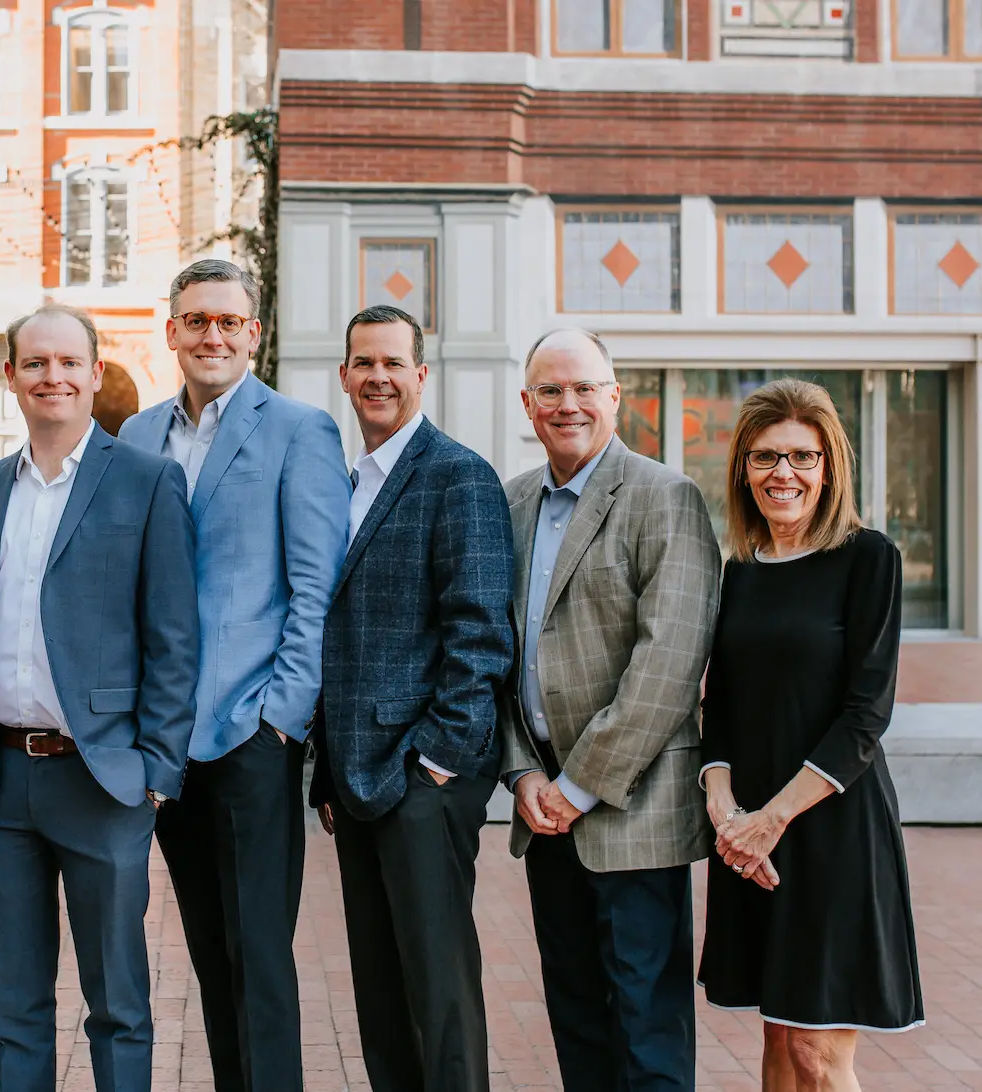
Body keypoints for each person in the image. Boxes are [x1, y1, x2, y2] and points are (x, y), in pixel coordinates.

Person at [0, 304, 200, 1092]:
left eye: (67, 363)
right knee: (14, 1007)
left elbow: (173, 635)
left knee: (118, 1003)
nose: (51, 377)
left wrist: (157, 768)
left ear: (95, 375)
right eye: (35, 363)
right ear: (12, 377)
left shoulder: (150, 480)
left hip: (104, 779)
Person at [118, 259, 349, 1092]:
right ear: (171, 330)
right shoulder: (136, 438)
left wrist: (281, 719)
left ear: (256, 332)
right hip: (162, 748)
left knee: (259, 957)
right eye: (195, 320)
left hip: (252, 734)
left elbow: (317, 588)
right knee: (212, 957)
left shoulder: (299, 430)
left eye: (228, 321)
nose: (210, 335)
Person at [499, 328, 722, 1091]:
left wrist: (579, 783)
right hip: (544, 810)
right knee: (577, 1020)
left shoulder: (666, 497)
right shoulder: (514, 501)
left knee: (646, 1031)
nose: (568, 404)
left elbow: (669, 662)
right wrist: (523, 774)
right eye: (551, 391)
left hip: (633, 811)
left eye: (584, 388)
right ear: (527, 404)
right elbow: (498, 654)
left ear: (614, 397)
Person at [309, 305, 514, 1092]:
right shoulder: (345, 483)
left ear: (421, 376)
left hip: (421, 780)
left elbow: (479, 634)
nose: (378, 378)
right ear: (345, 377)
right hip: (359, 782)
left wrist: (434, 764)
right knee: (380, 988)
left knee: (438, 988)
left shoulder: (457, 474)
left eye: (394, 363)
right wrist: (331, 771)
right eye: (364, 364)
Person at [699, 378, 923, 1089]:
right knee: (779, 1040)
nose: (783, 474)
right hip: (752, 827)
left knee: (819, 1056)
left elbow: (867, 714)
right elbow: (722, 705)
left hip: (832, 826)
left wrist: (770, 819)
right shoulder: (739, 571)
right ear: (743, 468)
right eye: (765, 458)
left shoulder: (869, 559)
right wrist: (725, 810)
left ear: (829, 468)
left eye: (802, 457)